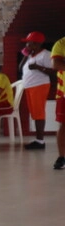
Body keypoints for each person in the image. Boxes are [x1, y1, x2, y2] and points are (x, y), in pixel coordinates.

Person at [20, 31, 53, 149]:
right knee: (35, 113)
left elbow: (53, 71)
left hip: (39, 85)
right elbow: (20, 68)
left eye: (28, 43)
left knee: (39, 113)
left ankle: (40, 141)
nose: (26, 45)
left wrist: (38, 67)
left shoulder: (45, 54)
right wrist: (25, 54)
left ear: (36, 43)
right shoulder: (30, 55)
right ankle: (38, 140)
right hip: (30, 86)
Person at [52, 37, 65, 169]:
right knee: (63, 125)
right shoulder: (61, 44)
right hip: (64, 92)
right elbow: (56, 64)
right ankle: (62, 157)